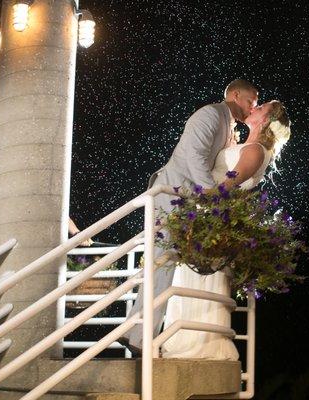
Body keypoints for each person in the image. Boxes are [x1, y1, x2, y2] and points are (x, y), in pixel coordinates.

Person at [119, 79, 259, 354]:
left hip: (188, 201)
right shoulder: (210, 114)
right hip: (172, 192)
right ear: (235, 94)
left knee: (166, 265)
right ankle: (136, 336)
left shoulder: (230, 127)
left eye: (255, 104)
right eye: (250, 102)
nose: (252, 108)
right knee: (162, 262)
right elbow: (195, 155)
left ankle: (138, 335)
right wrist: (209, 193)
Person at [161, 100, 292, 360]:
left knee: (200, 281)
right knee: (186, 280)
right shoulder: (247, 144)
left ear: (266, 120)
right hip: (204, 218)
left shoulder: (256, 150)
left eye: (262, 106)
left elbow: (227, 188)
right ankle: (178, 343)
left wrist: (198, 198)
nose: (256, 107)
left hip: (211, 222)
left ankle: (198, 348)